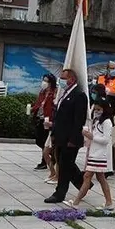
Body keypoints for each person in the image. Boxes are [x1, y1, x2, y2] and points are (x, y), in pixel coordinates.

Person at [45, 69, 89, 204]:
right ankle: (84, 184)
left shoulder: (79, 95)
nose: (61, 81)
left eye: (64, 78)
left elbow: (78, 120)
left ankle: (60, 193)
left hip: (70, 139)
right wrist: (53, 133)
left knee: (65, 166)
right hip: (60, 136)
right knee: (66, 164)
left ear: (71, 79)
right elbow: (59, 117)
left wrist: (73, 139)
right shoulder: (64, 94)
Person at [65, 98, 114, 210]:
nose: (96, 111)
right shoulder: (97, 120)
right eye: (95, 109)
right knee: (100, 178)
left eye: (99, 109)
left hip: (99, 154)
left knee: (87, 176)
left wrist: (91, 137)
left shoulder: (107, 122)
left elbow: (106, 140)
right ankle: (109, 202)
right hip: (94, 152)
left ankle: (76, 202)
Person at [32, 73, 57, 170]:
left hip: (48, 119)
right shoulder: (42, 92)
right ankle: (50, 154)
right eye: (44, 80)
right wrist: (33, 109)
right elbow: (39, 103)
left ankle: (45, 160)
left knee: (45, 140)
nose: (44, 83)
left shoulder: (54, 93)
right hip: (40, 118)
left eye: (46, 81)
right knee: (39, 140)